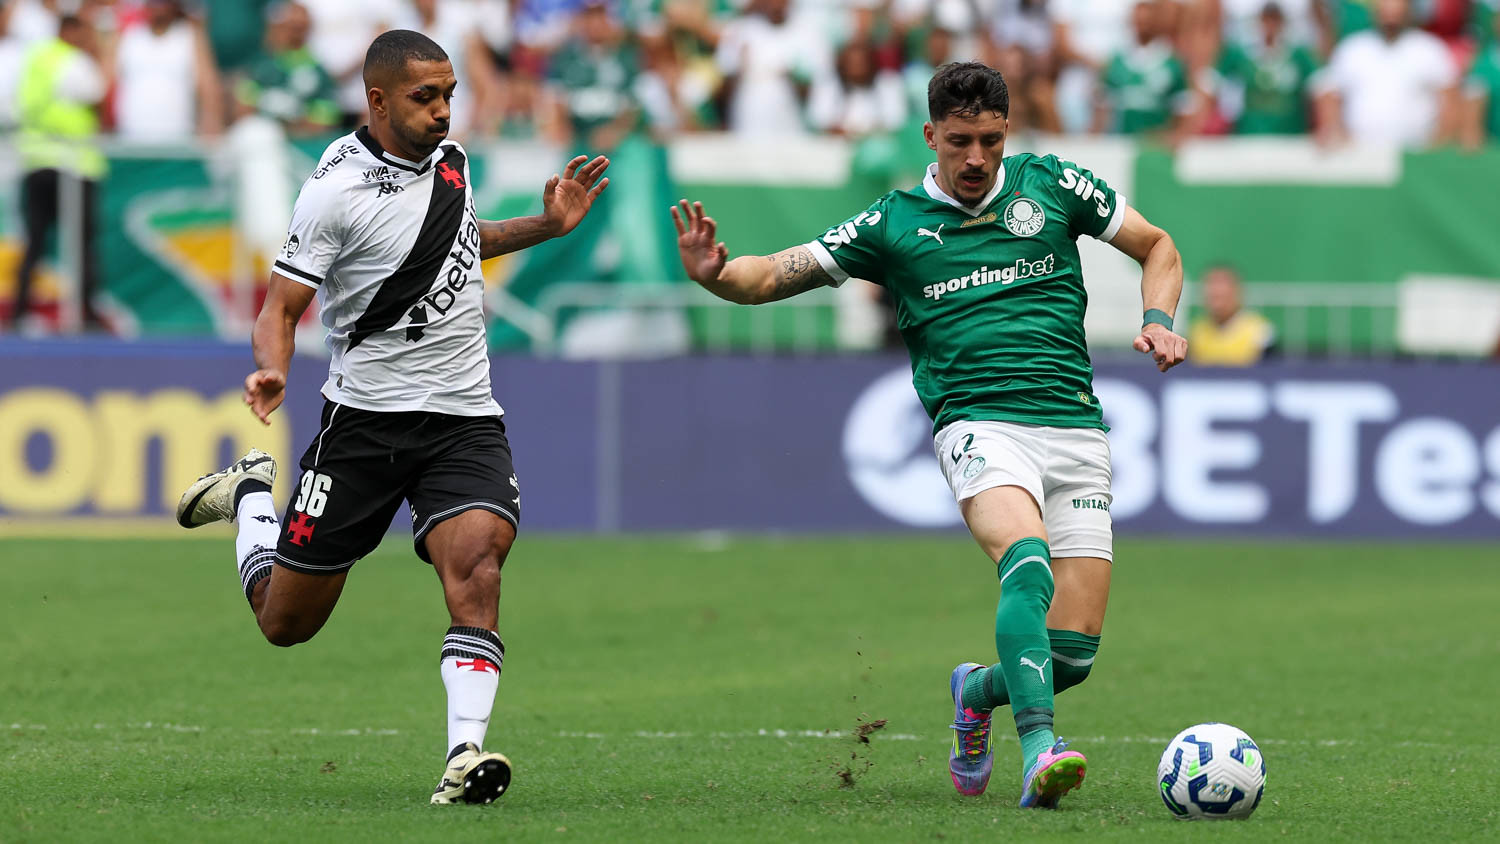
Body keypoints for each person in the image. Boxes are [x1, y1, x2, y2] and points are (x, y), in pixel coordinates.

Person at [670, 61, 1186, 808]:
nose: (975, 159)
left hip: (1074, 424)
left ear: (1007, 133)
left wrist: (1158, 321)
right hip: (978, 424)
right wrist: (715, 274)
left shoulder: (1054, 186)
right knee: (1027, 564)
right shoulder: (893, 223)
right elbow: (773, 274)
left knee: (1070, 651)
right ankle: (1041, 746)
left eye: (989, 141)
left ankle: (976, 692)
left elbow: (1159, 247)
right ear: (930, 136)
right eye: (958, 142)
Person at [173, 29, 610, 805]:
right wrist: (272, 364)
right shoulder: (332, 192)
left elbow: (458, 248)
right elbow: (280, 304)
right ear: (377, 101)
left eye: (449, 94)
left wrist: (545, 226)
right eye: (425, 97)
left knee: (478, 565)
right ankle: (249, 496)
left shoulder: (452, 162)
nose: (444, 111)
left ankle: (463, 755)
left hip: (462, 418)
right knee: (285, 623)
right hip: (364, 428)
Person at [11, 12, 107, 331]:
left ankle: (19, 311)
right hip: (72, 163)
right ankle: (85, 315)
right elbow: (97, 93)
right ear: (71, 30)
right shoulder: (73, 61)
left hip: (36, 161)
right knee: (80, 244)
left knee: (34, 241)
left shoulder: (36, 59)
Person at [1313, 0, 1457, 148]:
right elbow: (1329, 93)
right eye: (1385, 10)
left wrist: (1438, 144)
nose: (1391, 18)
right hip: (1360, 151)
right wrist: (1336, 130)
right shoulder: (1353, 48)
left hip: (1417, 151)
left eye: (1397, 11)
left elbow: (1449, 99)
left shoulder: (1430, 49)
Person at [112, 0, 224, 140]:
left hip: (178, 137)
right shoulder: (128, 36)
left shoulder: (190, 36)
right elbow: (106, 84)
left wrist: (211, 129)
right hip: (130, 137)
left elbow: (208, 89)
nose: (158, 7)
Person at [1211, 2, 1319, 135]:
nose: (1270, 25)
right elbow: (1210, 85)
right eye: (1266, 19)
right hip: (1250, 136)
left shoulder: (1299, 55)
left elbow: (1322, 87)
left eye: (1275, 20)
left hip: (1290, 138)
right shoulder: (1240, 53)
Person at [1187, 265, 1274, 365]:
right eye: (1214, 297)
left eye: (1222, 296)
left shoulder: (1260, 331)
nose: (1216, 291)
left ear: (1236, 292)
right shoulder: (1196, 331)